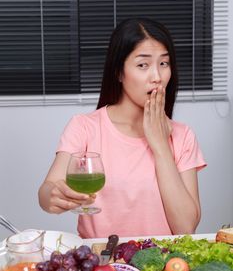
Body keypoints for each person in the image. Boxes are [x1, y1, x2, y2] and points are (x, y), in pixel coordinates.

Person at [38, 18, 206, 238]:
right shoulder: (85, 127)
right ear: (119, 72)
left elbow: (186, 228)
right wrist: (53, 196)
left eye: (163, 63)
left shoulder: (183, 136)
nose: (157, 77)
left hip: (162, 268)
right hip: (101, 266)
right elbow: (47, 190)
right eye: (142, 65)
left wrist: (161, 145)